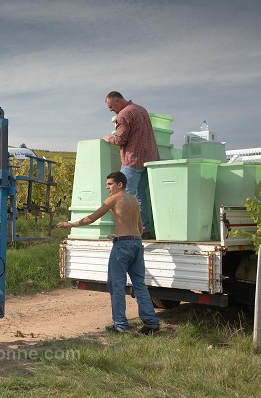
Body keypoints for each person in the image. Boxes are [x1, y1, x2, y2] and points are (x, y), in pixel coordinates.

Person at [57, 171, 160, 334]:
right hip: (137, 243)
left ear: (120, 184)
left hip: (123, 245)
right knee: (140, 284)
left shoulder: (114, 199)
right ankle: (151, 323)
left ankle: (120, 324)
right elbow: (140, 229)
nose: (108, 188)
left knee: (116, 285)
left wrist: (70, 224)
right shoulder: (134, 200)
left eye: (110, 184)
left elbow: (92, 218)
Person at [103, 91, 159, 240]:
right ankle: (144, 230)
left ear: (117, 101)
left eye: (110, 106)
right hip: (149, 160)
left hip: (132, 159)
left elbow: (120, 139)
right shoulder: (141, 109)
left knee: (122, 197)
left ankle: (125, 232)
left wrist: (109, 138)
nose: (110, 110)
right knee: (141, 197)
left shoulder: (123, 114)